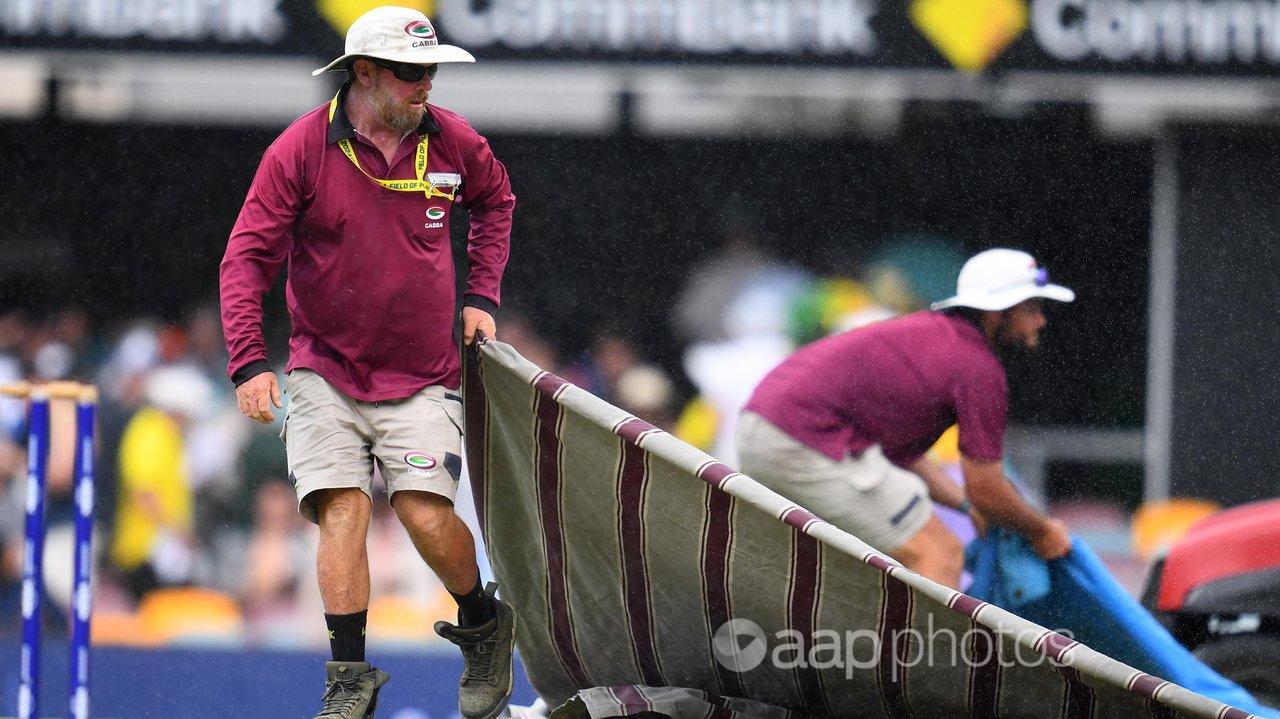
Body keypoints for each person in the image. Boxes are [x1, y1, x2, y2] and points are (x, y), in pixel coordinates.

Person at [218, 7, 517, 718]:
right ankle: (348, 675)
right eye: (412, 73)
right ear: (364, 73)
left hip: (424, 375)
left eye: (431, 71)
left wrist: (481, 292)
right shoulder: (299, 149)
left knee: (420, 512)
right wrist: (248, 361)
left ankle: (481, 622)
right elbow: (246, 257)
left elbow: (497, 201)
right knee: (341, 508)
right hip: (324, 369)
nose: (426, 85)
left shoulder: (454, 140)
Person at [736, 248, 1075, 588]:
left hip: (762, 428)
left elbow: (907, 461)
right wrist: (1043, 530)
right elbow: (987, 489)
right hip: (805, 440)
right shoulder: (978, 368)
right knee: (939, 553)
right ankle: (927, 644)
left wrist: (967, 506)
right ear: (996, 312)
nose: (1040, 321)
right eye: (1031, 308)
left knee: (863, 572)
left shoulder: (934, 335)